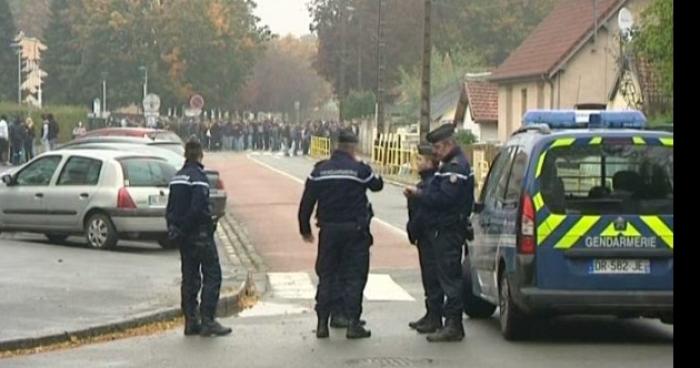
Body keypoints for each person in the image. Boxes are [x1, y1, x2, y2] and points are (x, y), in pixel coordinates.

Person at [298, 129, 383, 339]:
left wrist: (305, 229)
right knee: (354, 276)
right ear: (353, 147)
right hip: (355, 231)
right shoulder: (359, 169)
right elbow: (377, 185)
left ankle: (322, 323)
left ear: (336, 146)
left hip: (329, 231)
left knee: (327, 275)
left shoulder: (319, 171)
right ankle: (353, 323)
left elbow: (306, 203)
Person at [404, 124, 474, 342]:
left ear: (449, 144)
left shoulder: (456, 167)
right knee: (440, 276)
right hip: (442, 230)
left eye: (438, 147)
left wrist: (419, 194)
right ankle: (437, 318)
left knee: (450, 278)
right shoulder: (448, 165)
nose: (435, 152)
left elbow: (444, 199)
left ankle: (453, 324)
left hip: (449, 229)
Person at [166, 138, 232, 337]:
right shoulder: (199, 178)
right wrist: (208, 219)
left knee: (190, 278)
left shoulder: (177, 177)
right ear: (200, 155)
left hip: (183, 237)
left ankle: (190, 320)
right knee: (212, 275)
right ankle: (208, 320)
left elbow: (170, 209)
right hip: (199, 234)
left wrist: (175, 229)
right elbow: (198, 208)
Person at [405, 144, 444, 334]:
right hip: (424, 236)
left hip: (430, 236)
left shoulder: (432, 183)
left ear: (430, 162)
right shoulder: (425, 183)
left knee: (432, 276)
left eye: (421, 160)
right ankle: (430, 314)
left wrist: (412, 229)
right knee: (428, 277)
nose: (417, 163)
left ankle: (435, 317)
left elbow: (424, 213)